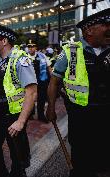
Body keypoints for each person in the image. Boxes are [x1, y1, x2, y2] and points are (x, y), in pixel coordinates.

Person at [46, 8, 110, 177]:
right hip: (81, 116)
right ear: (89, 30)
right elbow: (54, 82)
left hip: (106, 115)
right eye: (105, 24)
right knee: (81, 161)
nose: (109, 28)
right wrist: (51, 108)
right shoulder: (70, 51)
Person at [0, 24, 37, 177]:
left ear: (4, 41)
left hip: (13, 115)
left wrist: (20, 121)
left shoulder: (20, 59)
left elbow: (31, 93)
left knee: (17, 153)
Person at [27, 41, 52, 123]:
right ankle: (30, 114)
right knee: (30, 98)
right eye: (29, 46)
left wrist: (52, 78)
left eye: (32, 46)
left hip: (42, 80)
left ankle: (41, 115)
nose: (30, 48)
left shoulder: (42, 56)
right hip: (30, 82)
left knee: (41, 98)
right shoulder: (24, 57)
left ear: (36, 47)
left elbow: (49, 67)